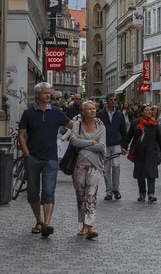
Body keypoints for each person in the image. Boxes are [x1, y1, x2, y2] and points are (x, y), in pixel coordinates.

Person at [17, 82, 73, 237]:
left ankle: (48, 224)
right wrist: (27, 155)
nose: (48, 95)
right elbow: (21, 135)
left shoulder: (56, 112)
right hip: (33, 158)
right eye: (45, 93)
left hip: (50, 158)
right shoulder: (28, 113)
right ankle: (39, 221)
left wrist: (92, 120)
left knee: (48, 191)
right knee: (33, 192)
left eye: (49, 93)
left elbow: (72, 125)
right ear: (37, 95)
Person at [70, 101, 106, 238]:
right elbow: (73, 141)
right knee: (80, 195)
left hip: (95, 165)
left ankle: (90, 226)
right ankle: (83, 225)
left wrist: (82, 145)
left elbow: (102, 147)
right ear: (83, 112)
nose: (93, 111)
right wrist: (92, 142)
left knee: (91, 195)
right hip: (79, 165)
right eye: (89, 109)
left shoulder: (101, 127)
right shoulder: (77, 125)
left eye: (94, 108)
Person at [123, 104, 161, 203]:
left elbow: (159, 139)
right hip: (139, 152)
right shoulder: (135, 123)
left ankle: (151, 194)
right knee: (140, 173)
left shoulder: (154, 124)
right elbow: (129, 136)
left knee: (151, 173)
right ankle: (142, 193)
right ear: (142, 112)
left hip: (151, 152)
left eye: (150, 110)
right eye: (147, 110)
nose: (150, 112)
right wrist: (124, 147)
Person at [97, 93, 127, 200]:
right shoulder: (100, 114)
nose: (113, 101)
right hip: (104, 144)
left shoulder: (119, 114)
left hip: (117, 144)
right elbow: (97, 129)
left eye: (115, 99)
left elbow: (124, 131)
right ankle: (108, 191)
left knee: (116, 166)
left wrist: (124, 146)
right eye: (111, 99)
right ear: (107, 101)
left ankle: (116, 189)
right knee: (106, 169)